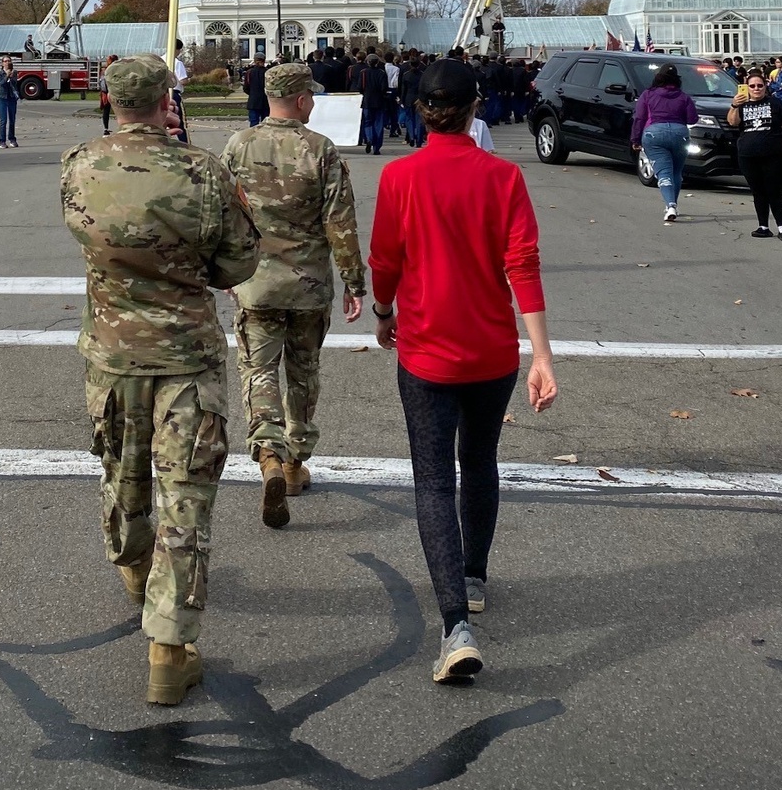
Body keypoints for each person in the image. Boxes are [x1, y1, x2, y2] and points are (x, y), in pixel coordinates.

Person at [61, 55, 259, 706]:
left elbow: (88, 234)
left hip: (113, 356)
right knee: (185, 499)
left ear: (112, 99)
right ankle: (169, 649)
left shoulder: (79, 165)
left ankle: (132, 566)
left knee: (121, 473)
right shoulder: (203, 171)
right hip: (185, 360)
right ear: (166, 99)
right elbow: (238, 261)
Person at [369, 59, 556, 684]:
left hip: (426, 348)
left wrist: (383, 312)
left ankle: (454, 624)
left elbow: (385, 259)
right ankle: (473, 575)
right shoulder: (503, 177)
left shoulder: (400, 177)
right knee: (479, 461)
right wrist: (543, 355)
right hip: (492, 351)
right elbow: (522, 265)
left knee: (432, 480)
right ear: (476, 106)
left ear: (421, 111)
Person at [221, 62, 366, 528]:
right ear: (302, 99)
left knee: (258, 369)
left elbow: (223, 214)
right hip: (308, 286)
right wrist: (354, 282)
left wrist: (224, 272)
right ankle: (295, 461)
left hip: (255, 284)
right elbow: (339, 222)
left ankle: (267, 452)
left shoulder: (238, 146)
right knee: (303, 373)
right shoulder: (320, 150)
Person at [728, 74, 782, 241]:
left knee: (774, 190)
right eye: (753, 86)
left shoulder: (774, 103)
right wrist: (734, 105)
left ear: (765, 86)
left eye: (760, 86)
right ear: (747, 87)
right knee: (758, 191)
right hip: (748, 155)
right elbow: (733, 122)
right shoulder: (742, 103)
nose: (756, 89)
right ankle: (763, 226)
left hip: (773, 154)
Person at [630, 63, 699, 223]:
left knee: (663, 172)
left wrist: (635, 138)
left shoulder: (648, 95)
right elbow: (692, 119)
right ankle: (672, 205)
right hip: (680, 134)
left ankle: (670, 205)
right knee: (676, 172)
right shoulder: (684, 97)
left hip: (654, 134)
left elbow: (639, 118)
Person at [359, 53, 389, 154]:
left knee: (368, 122)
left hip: (367, 100)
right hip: (379, 101)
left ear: (367, 62)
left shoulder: (363, 73)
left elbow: (360, 87)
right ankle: (377, 147)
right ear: (377, 62)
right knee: (378, 124)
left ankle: (369, 138)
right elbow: (384, 88)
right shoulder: (381, 73)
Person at [0, 56, 20, 149]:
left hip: (11, 98)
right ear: (2, 63)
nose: (7, 63)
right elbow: (0, 84)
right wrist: (6, 75)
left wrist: (11, 77)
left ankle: (12, 139)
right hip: (2, 98)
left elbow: (15, 83)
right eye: (5, 61)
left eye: (9, 61)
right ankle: (2, 141)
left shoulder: (14, 72)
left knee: (12, 120)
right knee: (3, 120)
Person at [243, 54, 269, 126]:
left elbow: (246, 88)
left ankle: (253, 136)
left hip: (253, 101)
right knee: (266, 124)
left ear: (254, 61)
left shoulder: (249, 72)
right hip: (265, 101)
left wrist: (252, 93)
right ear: (264, 61)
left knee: (253, 124)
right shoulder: (268, 72)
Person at [99, 54, 119, 134]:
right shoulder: (117, 70)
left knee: (106, 111)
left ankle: (106, 128)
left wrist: (104, 91)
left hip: (106, 92)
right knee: (118, 110)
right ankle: (120, 128)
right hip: (114, 92)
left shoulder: (105, 70)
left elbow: (101, 82)